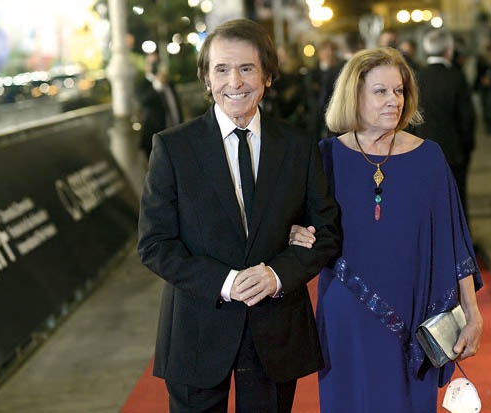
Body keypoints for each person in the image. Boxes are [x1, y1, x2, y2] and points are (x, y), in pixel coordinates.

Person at [137, 19, 341, 412]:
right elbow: (154, 244)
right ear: (207, 78)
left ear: (267, 75)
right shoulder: (173, 148)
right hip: (197, 329)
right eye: (222, 69)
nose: (235, 81)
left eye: (247, 68)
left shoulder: (298, 146)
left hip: (275, 329)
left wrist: (277, 274)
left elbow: (327, 231)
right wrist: (228, 283)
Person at [289, 47, 483, 412]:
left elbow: (455, 243)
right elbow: (300, 223)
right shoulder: (325, 156)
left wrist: (472, 314)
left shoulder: (430, 157)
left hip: (417, 314)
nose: (394, 100)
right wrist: (295, 232)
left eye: (399, 90)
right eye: (381, 91)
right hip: (346, 313)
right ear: (355, 95)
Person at [414, 29, 476, 219]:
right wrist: (467, 148)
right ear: (448, 50)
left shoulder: (416, 78)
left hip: (421, 150)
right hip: (453, 151)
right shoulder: (456, 77)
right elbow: (467, 118)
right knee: (456, 202)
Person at [136, 52, 184, 158]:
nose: (156, 66)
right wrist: (157, 84)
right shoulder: (142, 85)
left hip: (176, 135)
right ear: (146, 66)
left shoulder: (169, 84)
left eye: (157, 62)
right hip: (155, 140)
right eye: (152, 63)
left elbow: (176, 107)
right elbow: (144, 101)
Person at [474, 38, 491, 134]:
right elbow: (478, 70)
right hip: (483, 84)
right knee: (485, 104)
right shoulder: (481, 57)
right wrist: (483, 79)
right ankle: (487, 125)